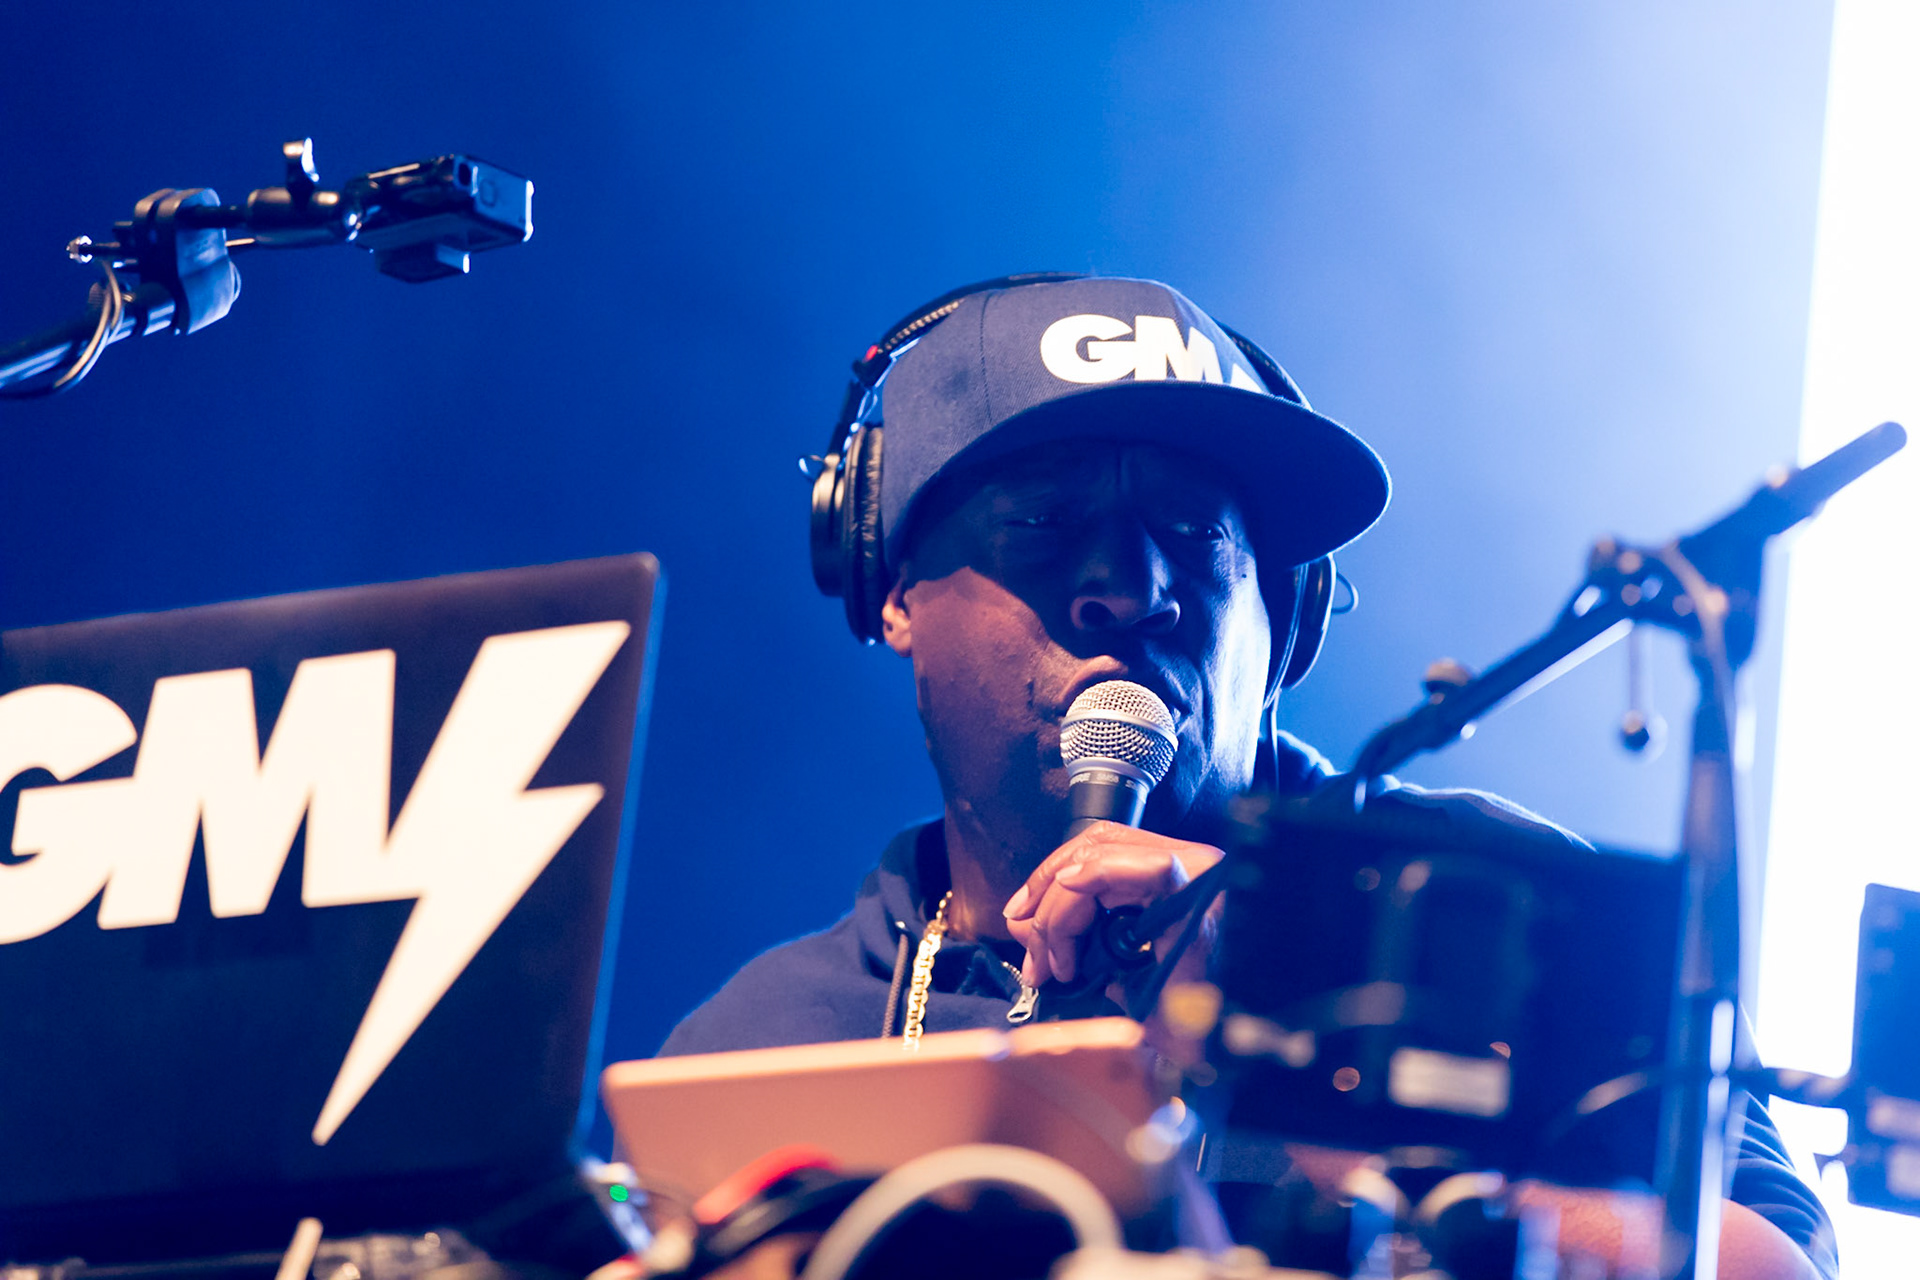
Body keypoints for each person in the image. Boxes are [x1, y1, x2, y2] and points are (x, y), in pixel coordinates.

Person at [657, 274, 1835, 1278]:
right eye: (1045, 521)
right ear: (895, 590)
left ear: (1291, 614)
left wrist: (1290, 997)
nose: (1130, 586)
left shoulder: (1489, 900)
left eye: (1193, 531)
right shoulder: (762, 1038)